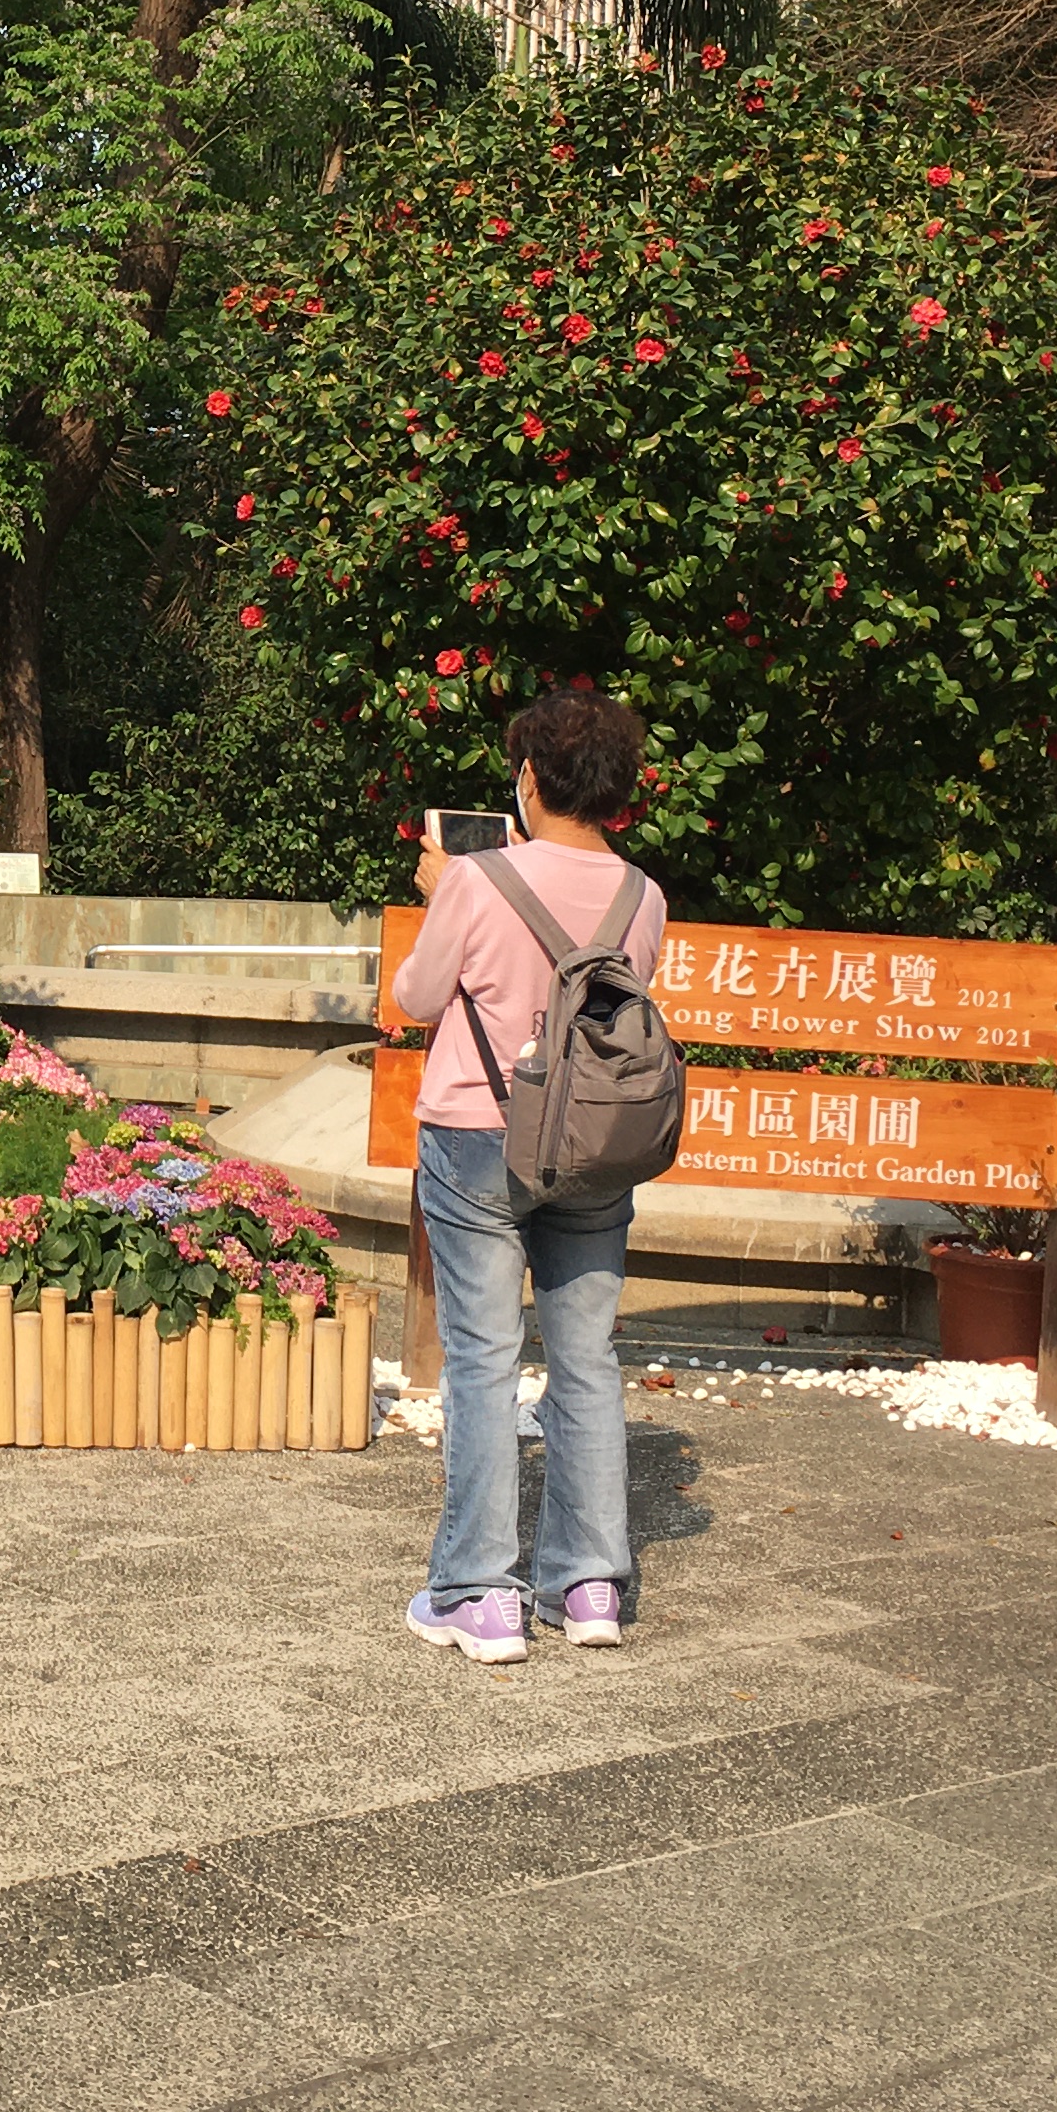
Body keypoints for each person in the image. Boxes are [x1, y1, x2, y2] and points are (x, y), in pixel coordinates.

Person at [397, 683, 668, 1662]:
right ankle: (589, 1584)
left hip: (479, 1132)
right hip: (594, 1147)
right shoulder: (645, 896)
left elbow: (418, 994)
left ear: (528, 779)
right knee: (587, 1358)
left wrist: (440, 893)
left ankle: (480, 1591)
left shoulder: (477, 878)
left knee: (482, 1358)